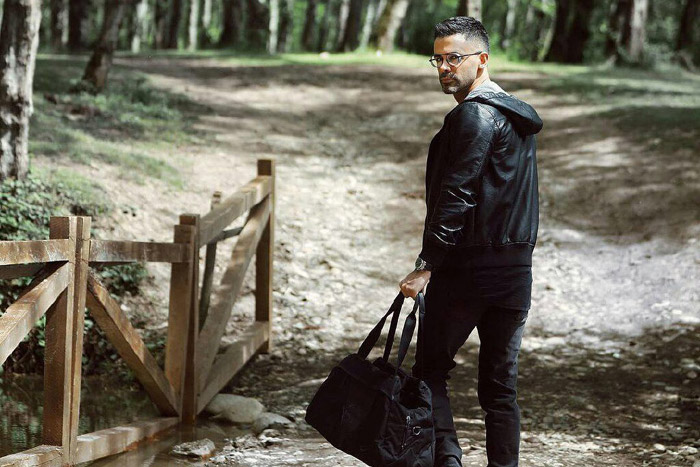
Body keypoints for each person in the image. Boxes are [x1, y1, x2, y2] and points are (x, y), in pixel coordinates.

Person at [398, 16, 543, 467]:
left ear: (481, 60)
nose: (444, 67)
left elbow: (456, 195)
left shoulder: (474, 114)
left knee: (428, 373)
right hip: (515, 270)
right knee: (500, 389)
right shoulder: (517, 116)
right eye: (438, 59)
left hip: (469, 270)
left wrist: (426, 265)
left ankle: (448, 460)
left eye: (454, 58)